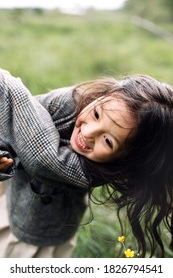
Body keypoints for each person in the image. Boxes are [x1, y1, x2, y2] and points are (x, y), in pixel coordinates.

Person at [0, 68, 173, 258]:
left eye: (107, 141)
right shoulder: (74, 100)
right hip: (12, 196)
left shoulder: (92, 172)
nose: (89, 133)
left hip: (37, 231)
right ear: (101, 96)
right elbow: (14, 128)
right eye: (97, 115)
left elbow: (42, 158)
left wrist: (6, 85)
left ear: (125, 160)